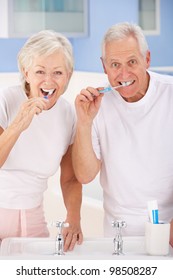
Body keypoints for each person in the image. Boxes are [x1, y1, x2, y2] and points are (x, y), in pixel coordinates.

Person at [72, 22, 173, 246]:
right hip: (117, 235)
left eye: (132, 62)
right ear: (104, 66)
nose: (123, 73)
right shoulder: (97, 104)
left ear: (147, 59)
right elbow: (85, 176)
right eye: (115, 64)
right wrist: (84, 122)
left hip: (168, 231)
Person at [0, 30, 83, 251]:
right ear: (26, 72)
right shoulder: (6, 100)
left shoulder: (68, 114)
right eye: (39, 71)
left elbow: (70, 179)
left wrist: (73, 218)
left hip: (34, 219)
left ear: (68, 75)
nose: (49, 81)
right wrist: (18, 124)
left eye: (57, 72)